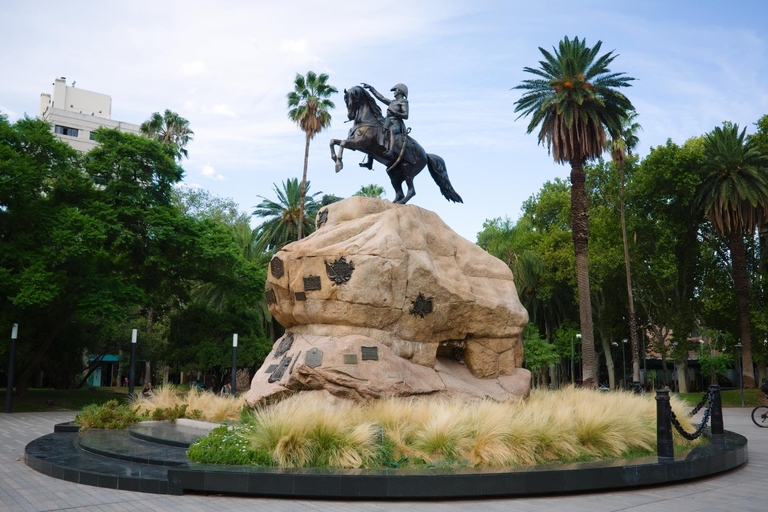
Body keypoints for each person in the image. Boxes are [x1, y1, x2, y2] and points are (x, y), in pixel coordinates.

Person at [361, 83, 410, 163]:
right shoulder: (392, 102)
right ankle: (369, 162)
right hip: (387, 121)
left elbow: (406, 115)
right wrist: (371, 88)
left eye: (396, 90)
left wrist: (395, 112)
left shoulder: (403, 102)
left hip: (396, 122)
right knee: (374, 135)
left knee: (391, 131)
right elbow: (382, 98)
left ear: (400, 91)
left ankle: (390, 151)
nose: (394, 92)